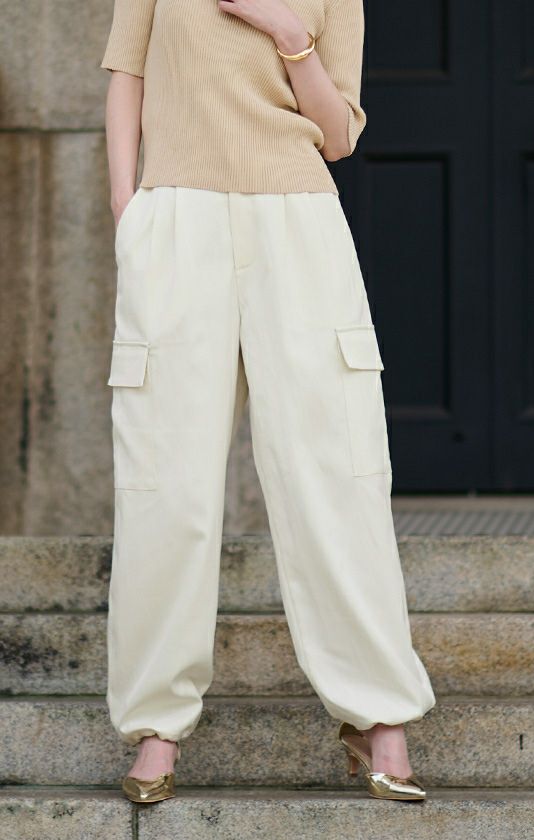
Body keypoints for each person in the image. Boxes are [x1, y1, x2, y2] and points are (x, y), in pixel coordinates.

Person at [100, 0, 436, 804]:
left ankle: (378, 716)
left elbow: (338, 134)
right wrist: (128, 212)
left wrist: (288, 34)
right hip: (176, 221)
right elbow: (126, 78)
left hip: (299, 223)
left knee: (337, 475)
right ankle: (155, 726)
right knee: (164, 484)